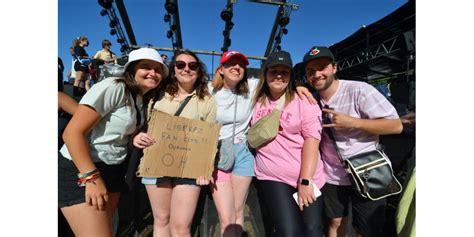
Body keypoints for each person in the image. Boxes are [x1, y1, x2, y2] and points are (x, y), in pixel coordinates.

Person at [59, 47, 168, 237]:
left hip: (112, 169)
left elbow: (113, 128)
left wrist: (133, 137)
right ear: (132, 70)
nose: (153, 73)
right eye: (146, 67)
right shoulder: (114, 86)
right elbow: (72, 133)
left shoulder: (141, 98)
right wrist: (91, 178)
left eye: (158, 69)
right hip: (83, 169)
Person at [296, 46, 403, 237]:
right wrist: (297, 87)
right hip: (332, 175)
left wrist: (352, 122)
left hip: (368, 170)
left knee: (367, 229)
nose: (317, 74)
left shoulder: (359, 90)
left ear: (334, 68)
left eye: (322, 67)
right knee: (335, 222)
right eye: (311, 71)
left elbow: (395, 126)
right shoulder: (311, 99)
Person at [209, 50, 317, 237]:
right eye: (230, 64)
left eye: (241, 65)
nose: (236, 67)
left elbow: (279, 81)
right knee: (227, 218)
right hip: (224, 154)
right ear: (220, 69)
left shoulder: (252, 89)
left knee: (239, 211)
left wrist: (300, 86)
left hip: (245, 153)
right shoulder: (208, 91)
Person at [133, 49, 216, 237]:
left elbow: (209, 138)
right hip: (155, 163)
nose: (186, 69)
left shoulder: (207, 100)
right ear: (173, 69)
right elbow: (139, 124)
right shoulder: (157, 93)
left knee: (181, 227)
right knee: (161, 219)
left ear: (199, 71)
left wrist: (204, 168)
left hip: (189, 167)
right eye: (180, 65)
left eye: (192, 65)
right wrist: (136, 137)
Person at [251, 50, 326, 237]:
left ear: (291, 75)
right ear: (265, 74)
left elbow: (312, 140)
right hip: (273, 176)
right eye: (273, 71)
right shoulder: (255, 98)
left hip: (308, 176)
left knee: (313, 230)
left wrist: (305, 181)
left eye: (284, 72)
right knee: (289, 232)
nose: (278, 75)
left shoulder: (304, 100)